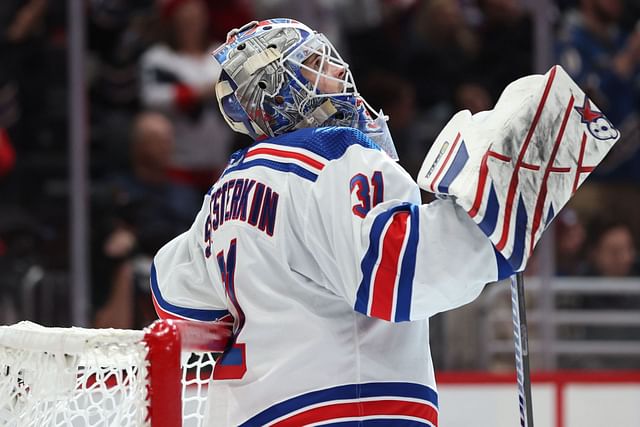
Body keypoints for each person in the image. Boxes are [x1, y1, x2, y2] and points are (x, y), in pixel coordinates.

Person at [150, 20, 608, 425]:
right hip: (351, 409)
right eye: (315, 65)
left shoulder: (223, 192)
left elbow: (179, 306)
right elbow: (402, 273)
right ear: (281, 88)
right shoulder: (333, 154)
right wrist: (498, 215)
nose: (338, 73)